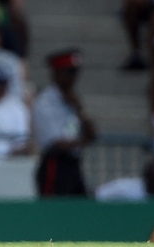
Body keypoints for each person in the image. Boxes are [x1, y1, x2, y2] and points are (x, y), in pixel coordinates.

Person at [33, 48, 97, 196]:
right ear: (56, 73)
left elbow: (93, 134)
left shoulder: (73, 101)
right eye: (69, 73)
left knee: (79, 211)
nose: (73, 78)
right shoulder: (45, 102)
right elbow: (57, 143)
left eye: (75, 73)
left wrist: (80, 109)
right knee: (54, 212)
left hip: (73, 165)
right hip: (54, 164)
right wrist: (83, 141)